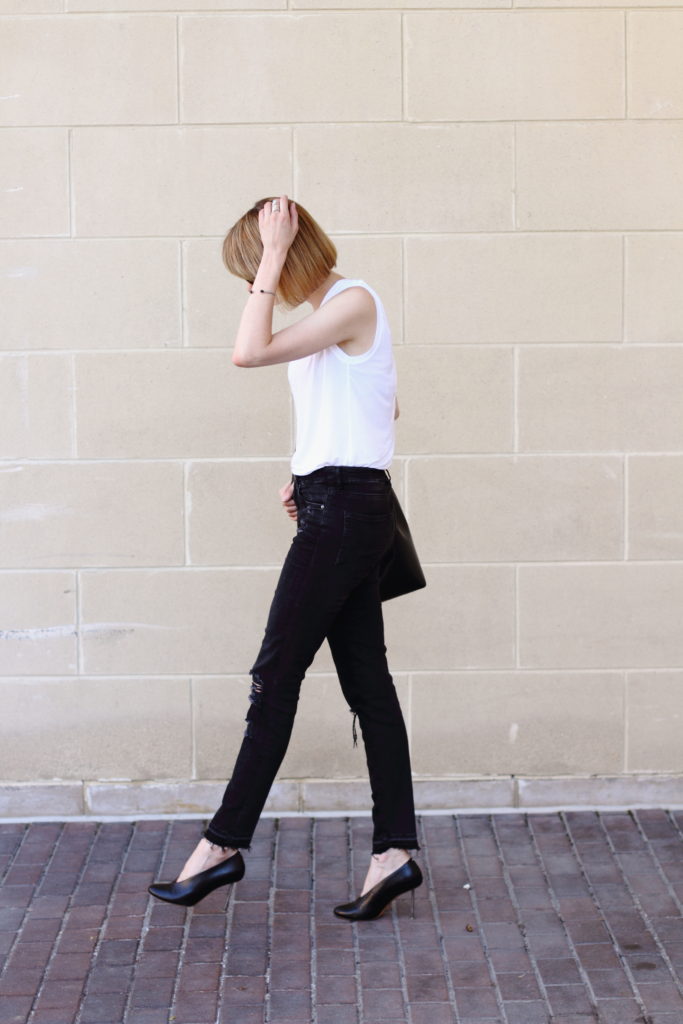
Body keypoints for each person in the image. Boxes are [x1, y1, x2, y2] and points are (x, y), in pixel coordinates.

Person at [148, 195, 423, 921]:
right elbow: (380, 406)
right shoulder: (334, 318)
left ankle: (220, 846)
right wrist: (306, 470)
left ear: (287, 255)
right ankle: (393, 854)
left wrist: (270, 257)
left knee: (275, 677)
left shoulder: (353, 299)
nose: (251, 289)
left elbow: (247, 350)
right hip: (339, 503)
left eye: (254, 271)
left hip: (343, 514)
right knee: (369, 687)